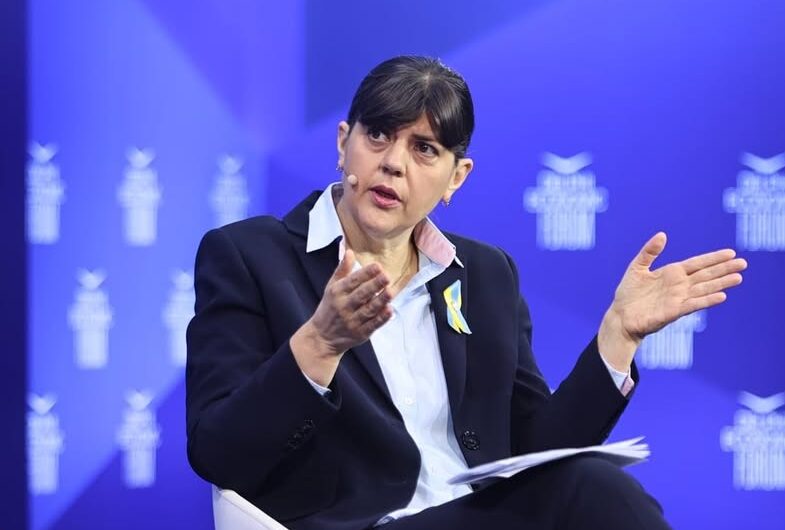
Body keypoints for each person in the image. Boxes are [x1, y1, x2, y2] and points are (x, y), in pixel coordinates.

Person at [185, 55, 746, 530]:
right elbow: (217, 452)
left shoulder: (484, 273)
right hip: (361, 523)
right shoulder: (252, 257)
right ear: (343, 142)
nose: (393, 163)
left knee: (591, 483)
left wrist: (617, 337)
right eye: (377, 135)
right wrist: (319, 344)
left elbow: (538, 451)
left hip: (477, 514)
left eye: (425, 148)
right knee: (594, 490)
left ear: (457, 176)